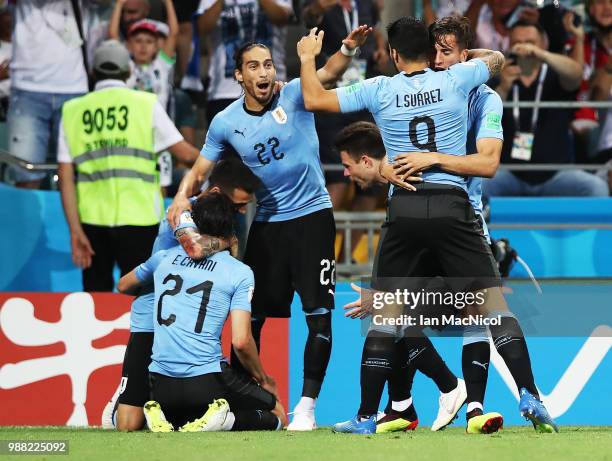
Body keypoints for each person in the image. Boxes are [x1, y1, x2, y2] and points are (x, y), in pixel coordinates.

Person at [298, 17, 557, 434]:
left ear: (395, 54)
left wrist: (309, 58)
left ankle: (368, 415)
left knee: (386, 313)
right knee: (492, 309)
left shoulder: (381, 87)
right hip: (454, 207)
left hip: (406, 208)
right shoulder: (457, 81)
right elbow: (498, 57)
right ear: (429, 51)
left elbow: (313, 99)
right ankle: (528, 395)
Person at [166, 25, 371, 430]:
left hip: (313, 218)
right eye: (253, 67)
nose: (263, 73)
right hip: (267, 224)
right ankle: (247, 403)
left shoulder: (293, 94)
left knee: (318, 315)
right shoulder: (225, 122)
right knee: (251, 318)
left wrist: (347, 47)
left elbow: (328, 74)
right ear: (238, 75)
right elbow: (202, 169)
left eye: (268, 64)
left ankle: (307, 408)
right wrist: (179, 196)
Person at [101, 159, 261, 431]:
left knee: (191, 414)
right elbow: (196, 249)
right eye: (238, 204)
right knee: (126, 425)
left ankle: (156, 407)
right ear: (215, 194)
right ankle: (123, 398)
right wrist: (228, 242)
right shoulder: (183, 211)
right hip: (152, 320)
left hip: (184, 324)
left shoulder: (223, 217)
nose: (243, 209)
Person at [117, 193, 287, 432]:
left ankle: (167, 418)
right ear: (231, 227)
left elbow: (123, 285)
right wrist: (263, 379)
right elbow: (240, 341)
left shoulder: (163, 258)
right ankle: (224, 421)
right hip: (207, 379)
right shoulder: (239, 272)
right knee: (277, 414)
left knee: (184, 415)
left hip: (160, 384)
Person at [57, 40, 199, 292]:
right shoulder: (145, 103)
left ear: (93, 72)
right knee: (140, 299)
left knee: (95, 298)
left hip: (92, 219)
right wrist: (222, 159)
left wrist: (74, 230)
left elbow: (65, 177)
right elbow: (185, 154)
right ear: (128, 71)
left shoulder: (72, 110)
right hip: (139, 217)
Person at [485, 20, 609, 197]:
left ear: (543, 44)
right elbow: (484, 119)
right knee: (474, 186)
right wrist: (503, 88)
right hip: (509, 172)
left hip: (556, 174)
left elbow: (576, 74)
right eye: (517, 43)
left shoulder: (555, 74)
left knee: (596, 188)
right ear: (508, 46)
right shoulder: (499, 77)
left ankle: (589, 227)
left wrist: (541, 54)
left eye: (530, 42)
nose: (524, 48)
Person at [196, 0, 293, 126]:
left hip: (271, 89)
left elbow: (282, 17)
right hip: (224, 93)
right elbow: (201, 27)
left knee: (274, 144)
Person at [110, 0, 179, 111]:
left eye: (149, 41)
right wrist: (119, 5)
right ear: (129, 45)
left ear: (156, 46)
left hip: (157, 126)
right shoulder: (126, 64)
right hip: (133, 125)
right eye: (138, 41)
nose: (143, 46)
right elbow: (113, 36)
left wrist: (168, 3)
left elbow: (174, 33)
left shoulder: (161, 64)